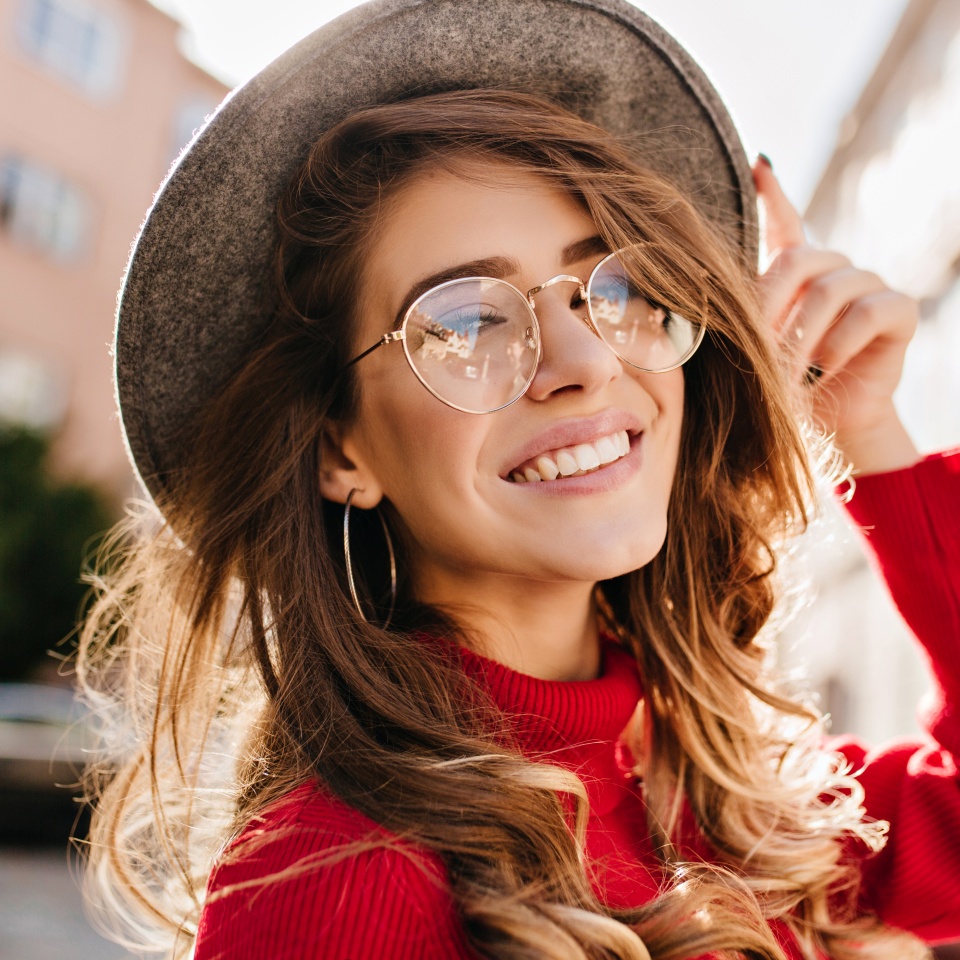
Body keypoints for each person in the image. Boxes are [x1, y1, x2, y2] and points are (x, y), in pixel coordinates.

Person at [78, 1, 960, 958]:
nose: (583, 356)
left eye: (612, 287)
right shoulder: (337, 878)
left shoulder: (744, 811)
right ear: (342, 451)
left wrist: (869, 431)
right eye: (464, 323)